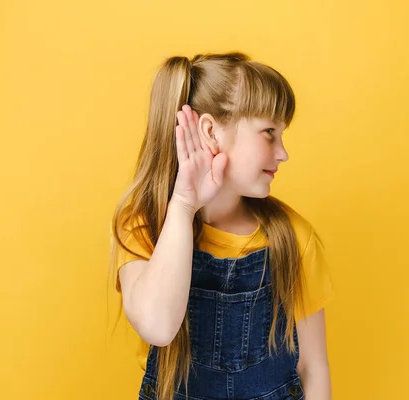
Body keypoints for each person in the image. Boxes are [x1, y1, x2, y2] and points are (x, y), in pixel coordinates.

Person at [110, 52, 335, 400]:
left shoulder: (292, 237)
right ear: (211, 131)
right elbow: (157, 326)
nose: (283, 153)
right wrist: (183, 206)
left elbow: (312, 367)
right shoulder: (144, 228)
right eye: (269, 132)